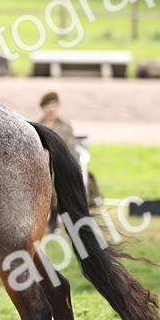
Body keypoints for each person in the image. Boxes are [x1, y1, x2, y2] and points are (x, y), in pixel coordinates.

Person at [38, 91, 102, 222]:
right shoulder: (37, 127)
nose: (51, 109)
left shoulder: (65, 127)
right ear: (43, 107)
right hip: (41, 168)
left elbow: (70, 150)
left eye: (54, 106)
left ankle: (56, 217)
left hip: (60, 166)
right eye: (48, 106)